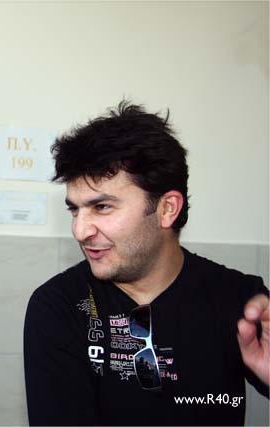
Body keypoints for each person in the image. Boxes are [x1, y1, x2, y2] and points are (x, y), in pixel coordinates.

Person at [23, 101, 269, 425]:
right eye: (75, 210)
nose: (80, 231)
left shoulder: (239, 299)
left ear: (167, 209)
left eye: (102, 207)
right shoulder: (59, 307)